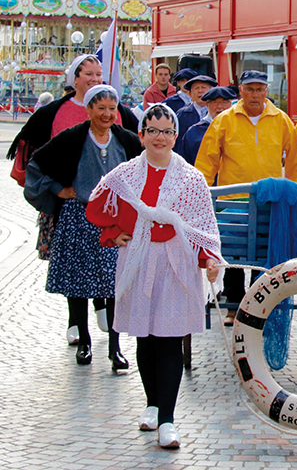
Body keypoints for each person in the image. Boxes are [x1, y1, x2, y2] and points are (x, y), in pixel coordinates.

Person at [87, 103, 223, 450]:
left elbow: (202, 225)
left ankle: (168, 419)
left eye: (166, 131)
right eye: (153, 131)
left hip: (176, 264)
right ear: (142, 135)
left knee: (169, 338)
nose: (159, 138)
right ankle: (151, 403)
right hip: (139, 259)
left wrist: (207, 259)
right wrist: (113, 233)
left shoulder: (191, 179)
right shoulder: (126, 174)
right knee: (145, 336)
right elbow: (97, 206)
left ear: (175, 136)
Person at [7, 54, 138, 344]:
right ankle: (77, 325)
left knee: (109, 271)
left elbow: (138, 152)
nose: (94, 78)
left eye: (98, 73)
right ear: (75, 78)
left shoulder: (121, 123)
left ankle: (105, 314)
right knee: (74, 270)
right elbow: (33, 155)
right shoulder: (56, 113)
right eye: (88, 73)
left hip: (112, 216)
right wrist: (56, 188)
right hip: (75, 208)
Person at [196, 70, 297, 324]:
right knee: (234, 254)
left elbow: (296, 161)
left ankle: (259, 303)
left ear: (266, 91)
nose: (255, 95)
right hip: (231, 201)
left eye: (259, 89)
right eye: (250, 89)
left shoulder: (281, 120)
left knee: (262, 254)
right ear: (240, 91)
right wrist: (200, 195)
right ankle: (234, 305)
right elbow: (207, 161)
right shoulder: (224, 121)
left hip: (268, 201)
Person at [174, 85, 237, 165]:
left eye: (224, 102)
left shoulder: (238, 128)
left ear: (230, 104)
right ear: (207, 105)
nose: (219, 106)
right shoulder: (194, 132)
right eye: (214, 102)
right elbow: (183, 162)